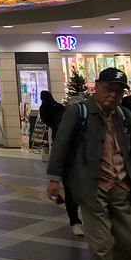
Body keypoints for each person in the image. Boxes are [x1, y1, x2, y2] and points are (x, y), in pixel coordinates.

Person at [47, 68, 131, 260]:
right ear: (97, 86)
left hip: (122, 187)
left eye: (119, 92)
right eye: (109, 89)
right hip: (92, 188)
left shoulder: (124, 115)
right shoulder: (78, 112)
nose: (113, 95)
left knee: (130, 242)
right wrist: (54, 179)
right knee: (101, 245)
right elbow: (60, 146)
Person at [39, 89, 83, 236]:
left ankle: (79, 221)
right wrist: (54, 178)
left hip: (85, 165)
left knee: (78, 193)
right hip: (69, 163)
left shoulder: (90, 123)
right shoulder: (61, 121)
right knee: (70, 192)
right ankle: (75, 221)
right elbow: (59, 148)